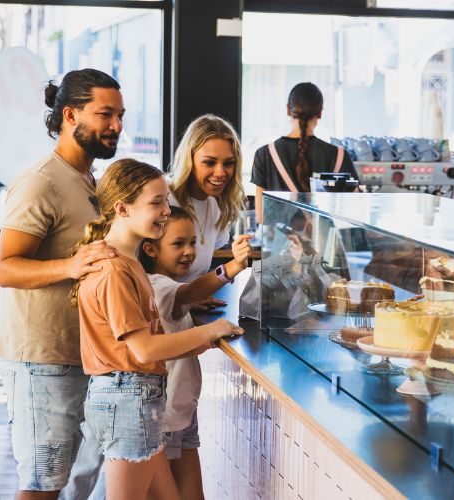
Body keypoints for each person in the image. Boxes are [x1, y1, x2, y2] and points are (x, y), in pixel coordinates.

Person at [70, 159, 244, 500]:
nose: (167, 210)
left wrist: (203, 343)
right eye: (156, 202)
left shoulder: (128, 263)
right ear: (122, 208)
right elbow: (145, 349)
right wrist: (209, 332)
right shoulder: (114, 271)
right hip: (127, 403)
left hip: (141, 400)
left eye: (166, 200)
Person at [0, 68, 122, 498]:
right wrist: (70, 266)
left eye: (120, 115)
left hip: (81, 355)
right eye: (105, 115)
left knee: (68, 485)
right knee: (43, 485)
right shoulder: (40, 182)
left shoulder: (90, 181)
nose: (116, 126)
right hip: (41, 362)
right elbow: (6, 268)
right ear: (70, 115)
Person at [138, 205, 251, 499]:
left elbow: (187, 297)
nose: (189, 252)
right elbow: (189, 292)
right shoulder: (160, 286)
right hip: (168, 412)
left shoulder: (163, 285)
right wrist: (231, 269)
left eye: (192, 243)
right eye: (178, 244)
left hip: (179, 409)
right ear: (150, 249)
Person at [169, 114, 248, 307]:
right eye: (210, 162)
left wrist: (191, 300)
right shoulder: (163, 199)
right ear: (189, 160)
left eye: (228, 163)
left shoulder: (217, 206)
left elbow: (192, 280)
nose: (221, 172)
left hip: (184, 315)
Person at [251, 82, 357, 221]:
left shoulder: (264, 154)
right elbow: (353, 213)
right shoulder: (339, 156)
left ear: (288, 110)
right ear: (320, 113)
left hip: (280, 242)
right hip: (326, 241)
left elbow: (261, 218)